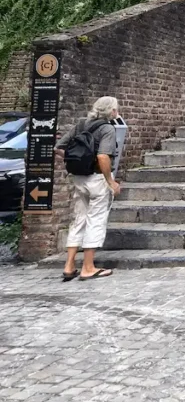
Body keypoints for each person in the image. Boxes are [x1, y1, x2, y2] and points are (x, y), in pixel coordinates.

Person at [55, 96, 121, 281]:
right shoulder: (107, 128)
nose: (117, 112)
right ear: (111, 111)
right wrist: (111, 182)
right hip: (97, 178)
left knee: (79, 219)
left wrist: (77, 162)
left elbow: (59, 148)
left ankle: (69, 266)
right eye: (116, 109)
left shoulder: (81, 124)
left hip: (79, 178)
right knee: (96, 219)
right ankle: (88, 267)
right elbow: (103, 157)